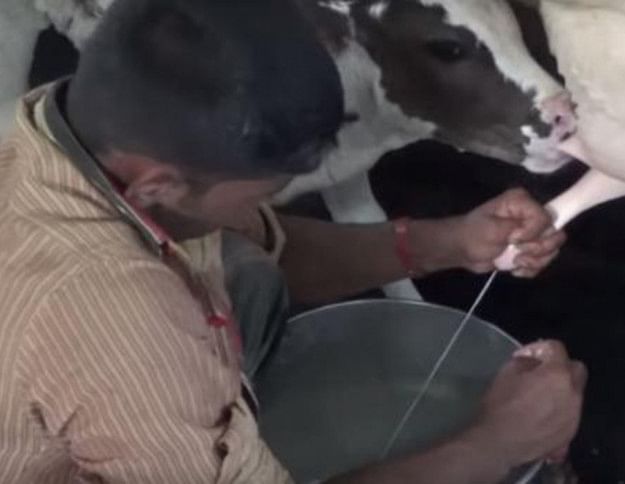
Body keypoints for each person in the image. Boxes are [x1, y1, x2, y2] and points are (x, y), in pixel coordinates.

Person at [0, 0, 587, 482]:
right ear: (158, 186)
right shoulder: (123, 333)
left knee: (242, 266)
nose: (266, 207)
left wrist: (450, 242)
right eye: (262, 193)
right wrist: (496, 443)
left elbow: (259, 242)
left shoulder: (63, 132)